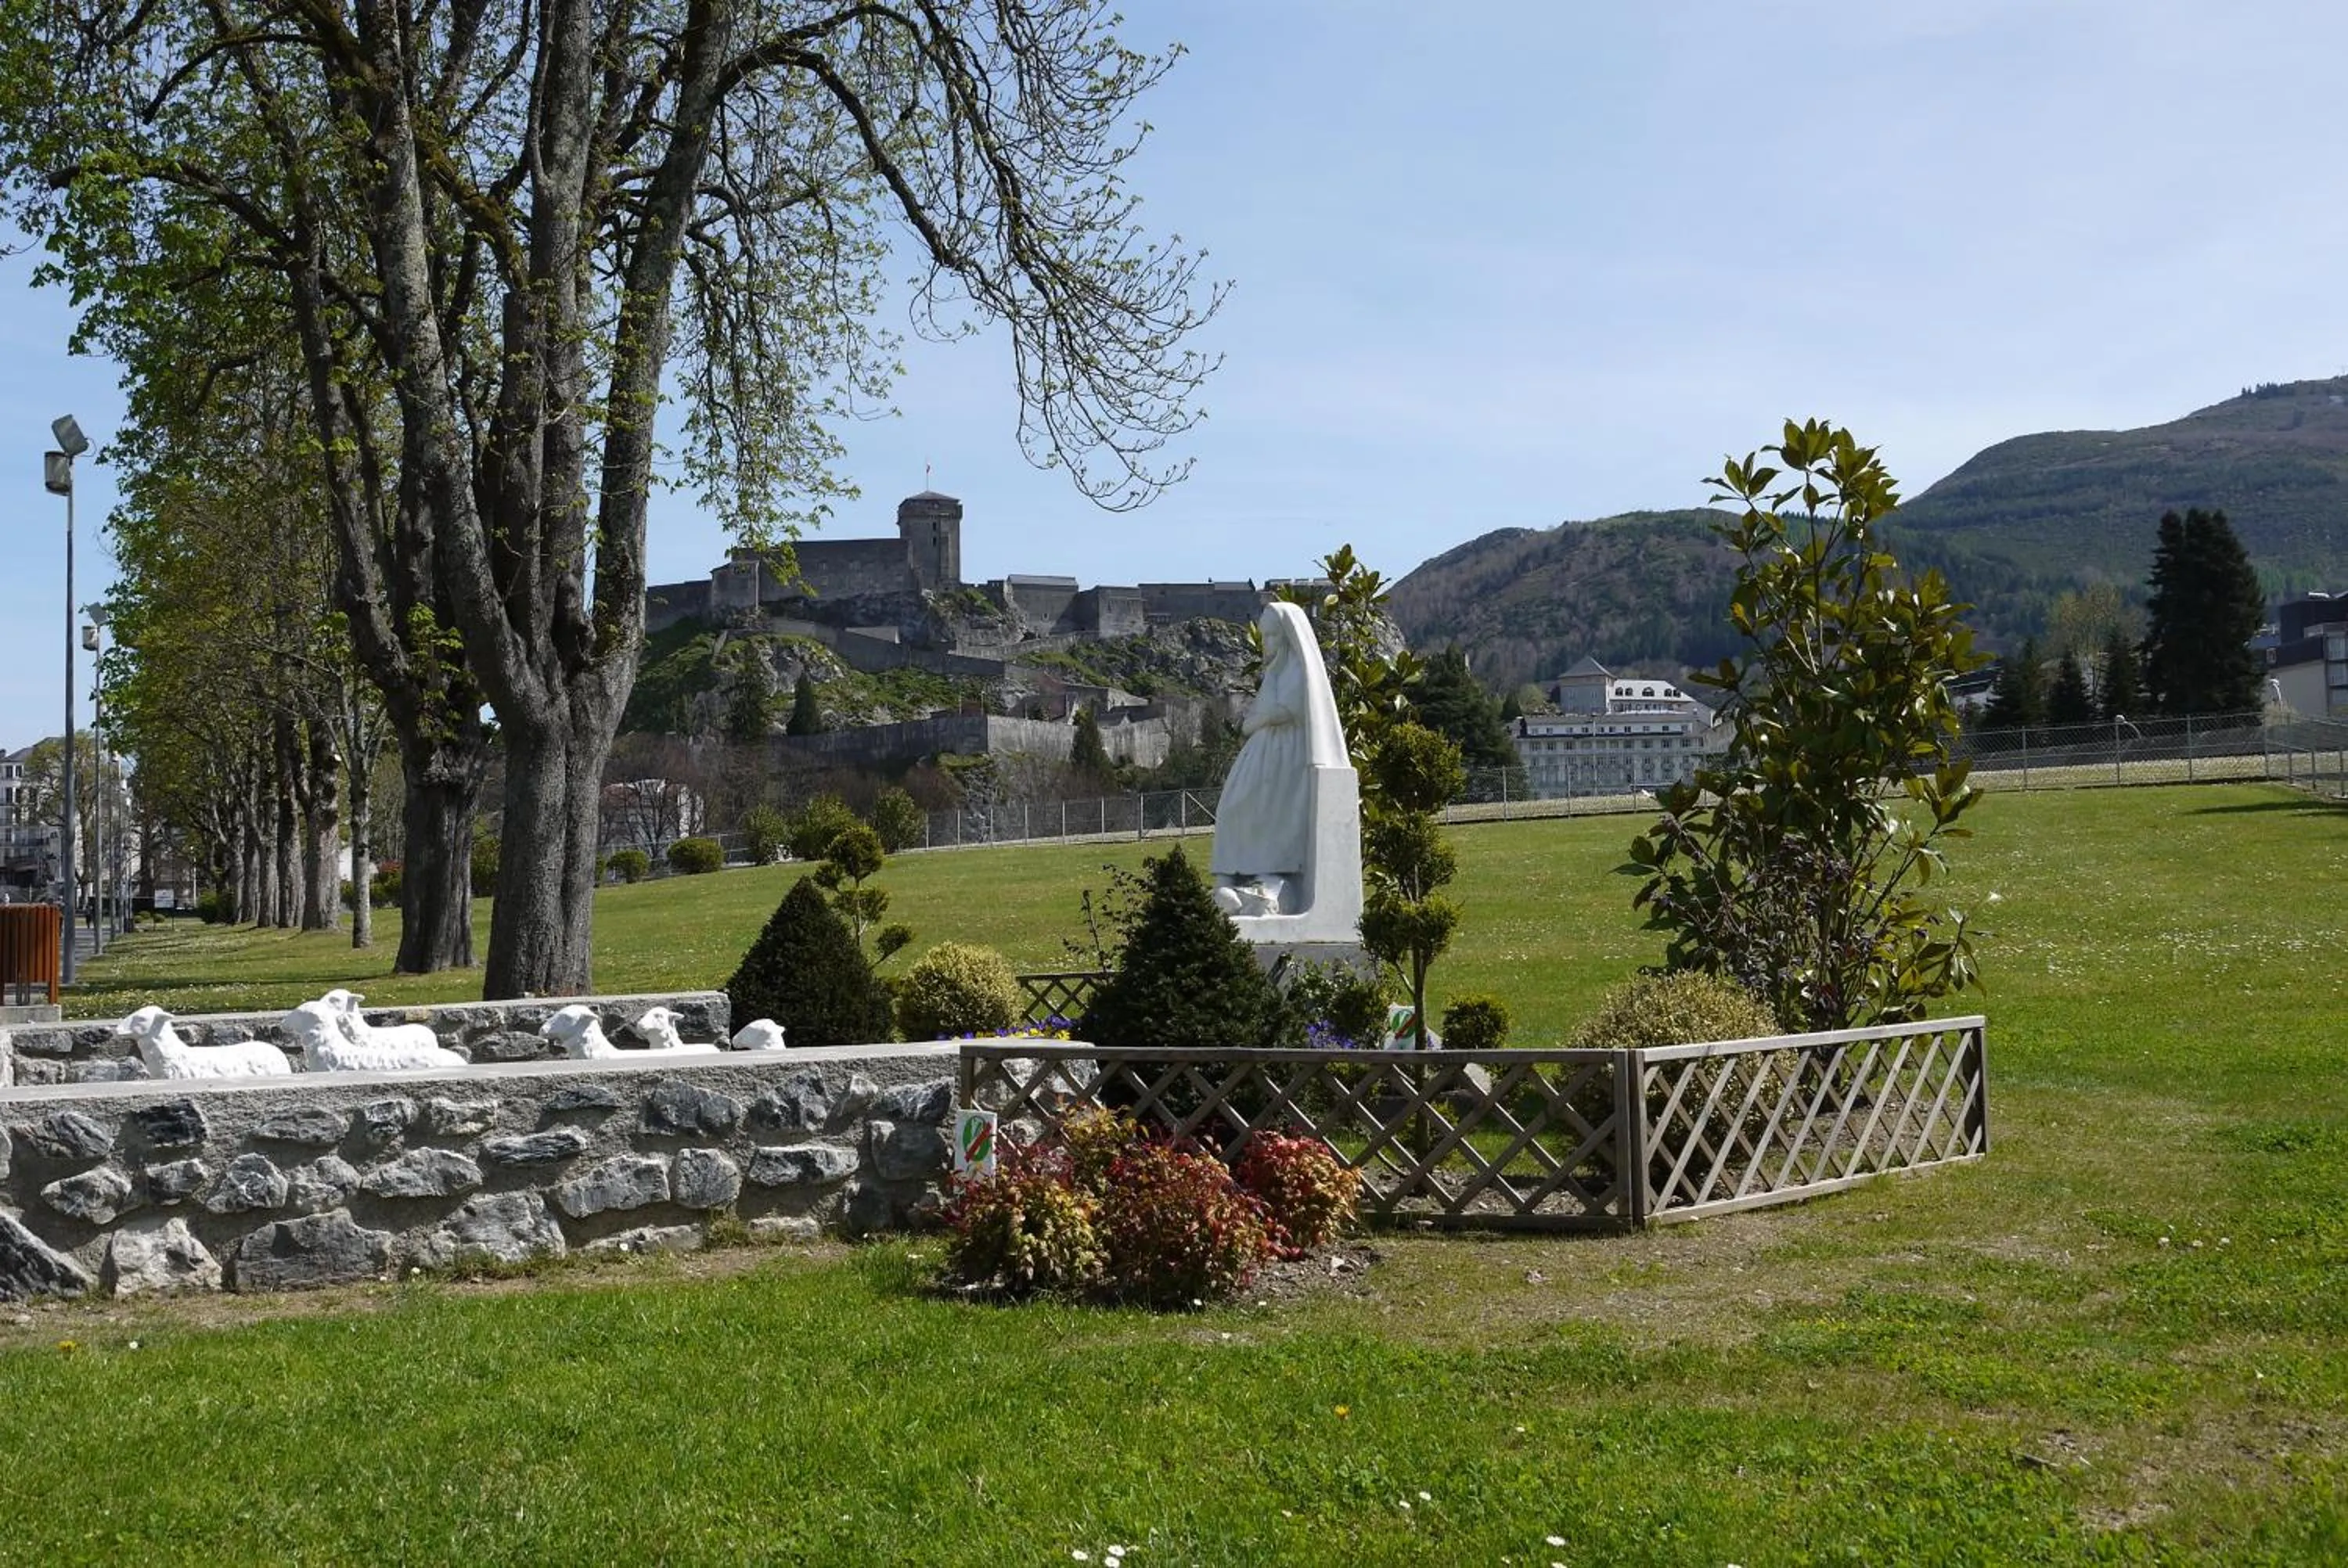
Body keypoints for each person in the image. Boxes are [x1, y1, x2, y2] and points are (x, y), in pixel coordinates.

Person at [1211, 602, 1347, 913]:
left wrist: (1266, 718)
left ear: (1288, 636)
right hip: (1264, 754)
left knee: (1271, 813)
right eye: (1265, 636)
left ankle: (1268, 881)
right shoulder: (1275, 674)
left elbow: (1287, 711)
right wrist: (1263, 719)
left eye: (1272, 636)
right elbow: (1252, 721)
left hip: (1289, 756)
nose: (1266, 643)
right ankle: (1226, 880)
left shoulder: (1300, 672)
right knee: (1232, 807)